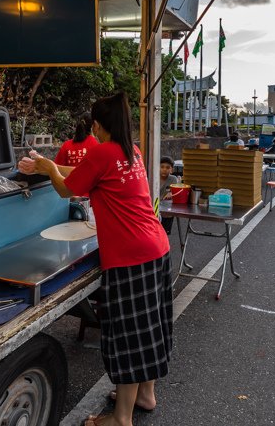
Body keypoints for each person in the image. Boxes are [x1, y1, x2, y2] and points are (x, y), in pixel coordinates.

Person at [18, 92, 172, 426]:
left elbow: (66, 188)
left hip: (131, 256)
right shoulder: (131, 151)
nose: (95, 132)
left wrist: (46, 168)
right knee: (149, 328)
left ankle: (120, 419)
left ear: (99, 126)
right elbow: (83, 170)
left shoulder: (102, 153)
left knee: (129, 333)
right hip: (156, 247)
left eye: (96, 127)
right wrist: (49, 166)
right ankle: (145, 394)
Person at [158, 156, 179, 234]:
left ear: (171, 170)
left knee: (164, 233)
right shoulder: (153, 177)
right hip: (154, 209)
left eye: (167, 167)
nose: (164, 169)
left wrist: (171, 193)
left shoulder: (173, 179)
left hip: (166, 211)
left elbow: (176, 191)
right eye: (162, 167)